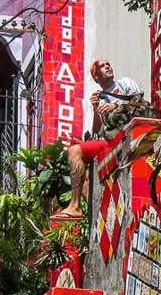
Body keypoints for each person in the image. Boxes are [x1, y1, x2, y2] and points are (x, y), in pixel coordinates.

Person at [54, 59, 141, 220]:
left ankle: (80, 208)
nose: (107, 66)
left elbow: (141, 105)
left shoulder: (124, 83)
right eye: (101, 66)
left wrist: (116, 107)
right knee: (76, 157)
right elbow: (97, 132)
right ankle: (82, 209)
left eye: (108, 64)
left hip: (128, 133)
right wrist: (95, 108)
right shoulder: (100, 98)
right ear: (96, 77)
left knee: (78, 155)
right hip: (110, 139)